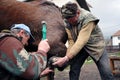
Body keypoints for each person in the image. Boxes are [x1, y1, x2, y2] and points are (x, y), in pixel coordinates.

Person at [53, 2, 114, 80]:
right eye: (67, 20)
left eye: (71, 19)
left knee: (106, 72)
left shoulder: (88, 18)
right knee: (74, 69)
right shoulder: (67, 20)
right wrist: (67, 57)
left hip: (96, 46)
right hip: (81, 48)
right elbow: (71, 41)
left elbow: (82, 40)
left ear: (78, 13)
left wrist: (66, 58)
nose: (69, 22)